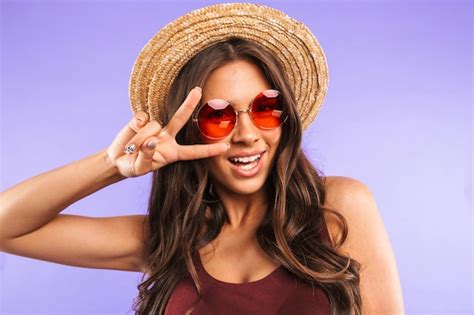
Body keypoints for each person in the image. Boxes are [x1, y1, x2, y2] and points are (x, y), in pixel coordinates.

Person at [0, 3, 404, 315]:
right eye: (218, 116)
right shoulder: (170, 240)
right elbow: (6, 227)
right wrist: (114, 164)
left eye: (265, 107)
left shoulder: (339, 208)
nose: (247, 135)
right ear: (190, 128)